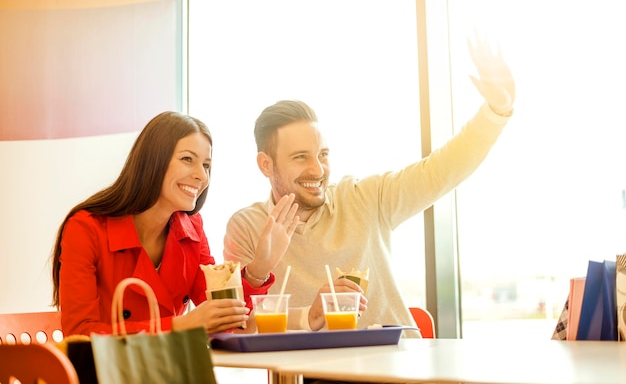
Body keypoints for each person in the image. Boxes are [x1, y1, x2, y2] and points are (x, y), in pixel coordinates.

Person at [224, 34, 515, 336]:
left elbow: (440, 170)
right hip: (312, 377)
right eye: (300, 157)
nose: (317, 169)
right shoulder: (247, 227)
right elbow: (241, 325)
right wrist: (261, 274)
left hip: (396, 369)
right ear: (266, 164)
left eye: (323, 154)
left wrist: (496, 112)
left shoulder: (363, 198)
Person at [50, 111, 299, 336]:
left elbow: (228, 320)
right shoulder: (86, 228)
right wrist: (180, 324)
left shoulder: (191, 229)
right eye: (187, 159)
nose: (202, 176)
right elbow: (79, 335)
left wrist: (258, 269)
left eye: (206, 165)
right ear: (153, 161)